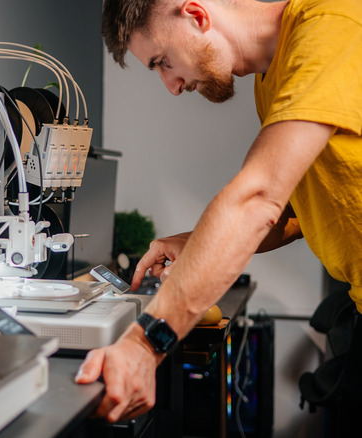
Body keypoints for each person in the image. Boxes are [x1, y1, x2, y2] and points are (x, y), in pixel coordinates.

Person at [74, 0, 362, 430]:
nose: (171, 85)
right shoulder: (272, 80)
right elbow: (297, 209)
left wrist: (144, 343)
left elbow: (258, 197)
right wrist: (194, 243)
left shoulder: (333, 25)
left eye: (162, 62)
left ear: (195, 13)